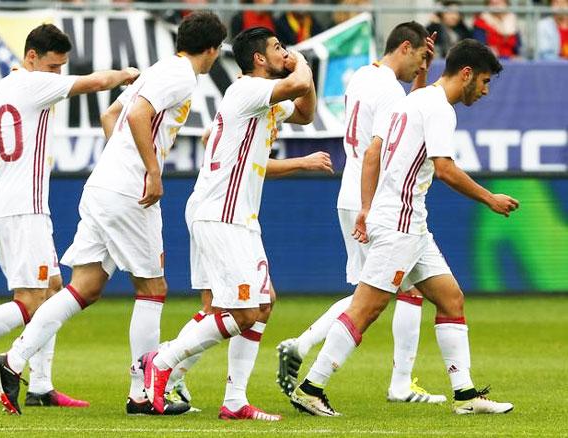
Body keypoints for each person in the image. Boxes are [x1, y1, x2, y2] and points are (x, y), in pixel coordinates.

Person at [0, 12, 228, 416]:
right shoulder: (182, 75)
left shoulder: (158, 70)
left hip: (102, 185)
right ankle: (144, 393)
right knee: (153, 289)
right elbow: (134, 116)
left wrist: (122, 159)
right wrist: (148, 168)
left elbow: (110, 115)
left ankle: (13, 360)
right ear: (213, 49)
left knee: (86, 286)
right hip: (128, 192)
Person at [290, 39, 518, 417]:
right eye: (484, 81)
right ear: (466, 74)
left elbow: (374, 152)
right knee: (367, 308)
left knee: (451, 299)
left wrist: (367, 206)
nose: (485, 90)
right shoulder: (440, 110)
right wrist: (489, 198)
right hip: (401, 223)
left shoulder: (412, 100)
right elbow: (444, 168)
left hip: (407, 220)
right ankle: (311, 387)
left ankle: (465, 395)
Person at [0, 23, 140, 409]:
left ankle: (40, 386)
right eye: (53, 66)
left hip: (11, 206)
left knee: (53, 289)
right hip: (24, 209)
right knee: (32, 301)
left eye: (61, 68)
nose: (56, 75)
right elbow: (94, 82)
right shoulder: (33, 83)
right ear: (31, 57)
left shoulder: (1, 90)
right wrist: (129, 76)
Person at [140, 26, 316, 419]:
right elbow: (299, 82)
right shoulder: (249, 90)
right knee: (242, 314)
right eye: (277, 47)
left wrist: (297, 73)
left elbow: (305, 111)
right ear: (258, 59)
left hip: (236, 214)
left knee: (260, 304)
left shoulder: (262, 97)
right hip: (221, 212)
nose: (283, 53)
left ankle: (234, 400)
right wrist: (301, 60)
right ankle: (163, 362)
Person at [277, 21, 446, 406]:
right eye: (419, 56)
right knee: (383, 294)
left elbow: (406, 114)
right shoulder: (388, 90)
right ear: (405, 47)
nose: (420, 64)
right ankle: (393, 382)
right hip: (375, 200)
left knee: (376, 290)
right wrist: (372, 207)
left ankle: (304, 347)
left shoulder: (361, 77)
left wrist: (421, 75)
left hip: (351, 193)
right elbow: (386, 146)